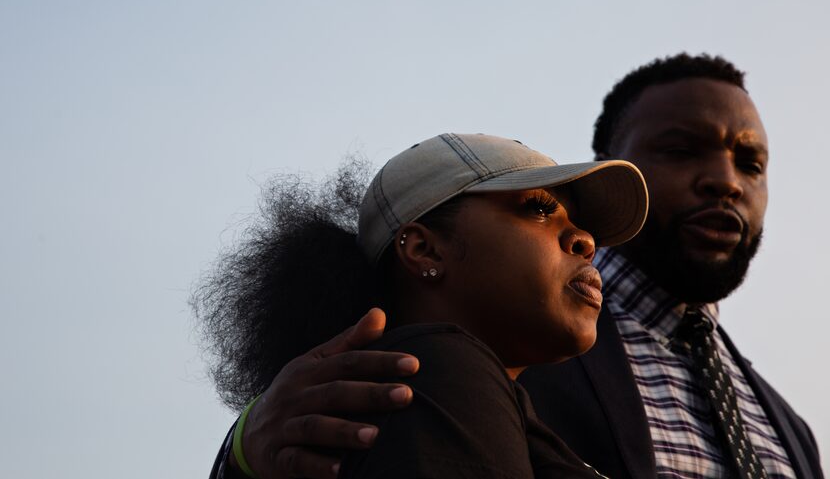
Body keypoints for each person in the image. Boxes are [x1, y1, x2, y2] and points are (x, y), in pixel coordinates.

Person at [204, 54, 825, 479]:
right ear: (423, 249)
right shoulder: (450, 360)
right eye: (538, 208)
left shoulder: (790, 428)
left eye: (752, 163)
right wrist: (245, 454)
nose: (724, 181)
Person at [196, 133, 649, 478]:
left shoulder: (491, 404)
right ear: (424, 251)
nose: (585, 241)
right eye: (538, 208)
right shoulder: (441, 368)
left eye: (578, 224)